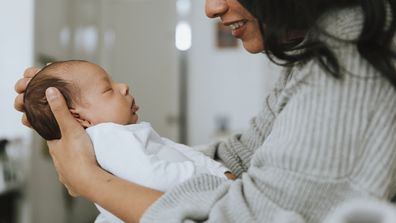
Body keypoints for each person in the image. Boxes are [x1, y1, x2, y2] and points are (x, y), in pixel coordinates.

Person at [14, 0, 396, 222]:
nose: (211, 7)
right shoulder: (318, 50)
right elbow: (241, 158)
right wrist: (79, 141)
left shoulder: (352, 58)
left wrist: (89, 178)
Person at [23, 60, 233, 223]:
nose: (123, 87)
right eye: (108, 89)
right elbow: (153, 179)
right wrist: (214, 180)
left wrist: (217, 170)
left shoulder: (123, 134)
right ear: (79, 118)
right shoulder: (106, 137)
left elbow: (179, 151)